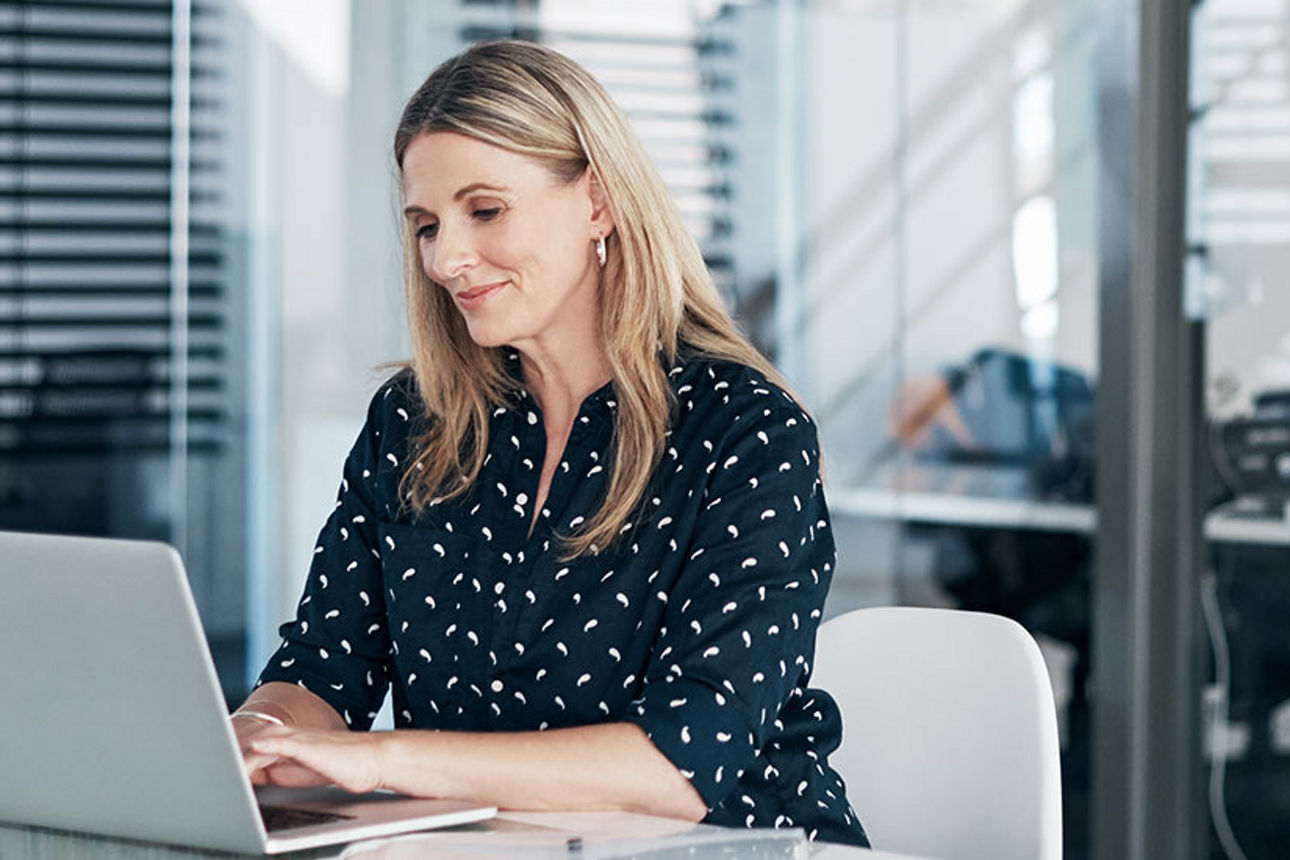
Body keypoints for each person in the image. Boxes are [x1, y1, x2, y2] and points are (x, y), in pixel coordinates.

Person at [232, 39, 868, 847]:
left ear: (597, 201)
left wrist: (378, 759)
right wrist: (257, 736)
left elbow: (675, 767)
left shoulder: (745, 432)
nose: (446, 258)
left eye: (485, 210)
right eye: (426, 225)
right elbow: (321, 670)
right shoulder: (414, 424)